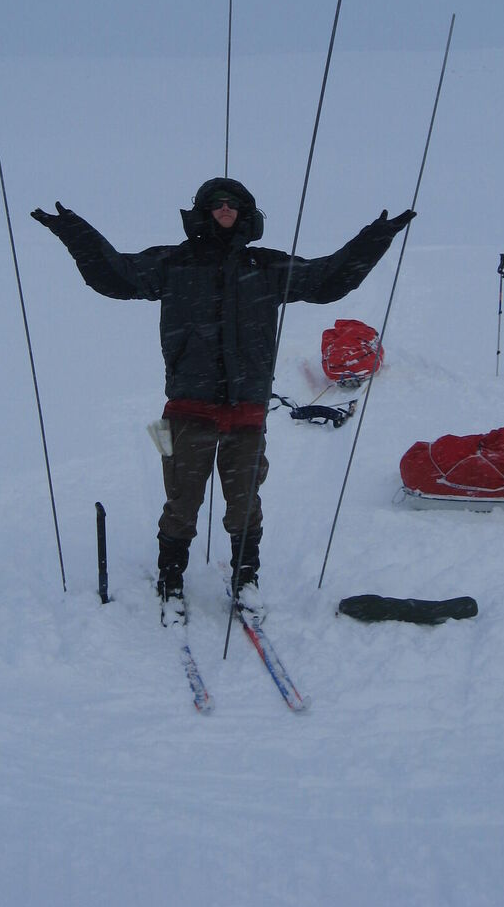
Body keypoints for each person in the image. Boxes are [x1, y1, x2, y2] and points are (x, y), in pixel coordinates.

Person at [32, 177, 414, 622]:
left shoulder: (265, 267)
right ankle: (170, 580)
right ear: (203, 210)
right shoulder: (174, 263)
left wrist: (376, 237)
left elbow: (328, 280)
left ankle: (245, 579)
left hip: (247, 411)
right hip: (188, 408)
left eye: (234, 202)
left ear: (246, 211)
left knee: (245, 501)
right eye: (216, 202)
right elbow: (113, 275)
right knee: (181, 501)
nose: (225, 208)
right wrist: (72, 230)